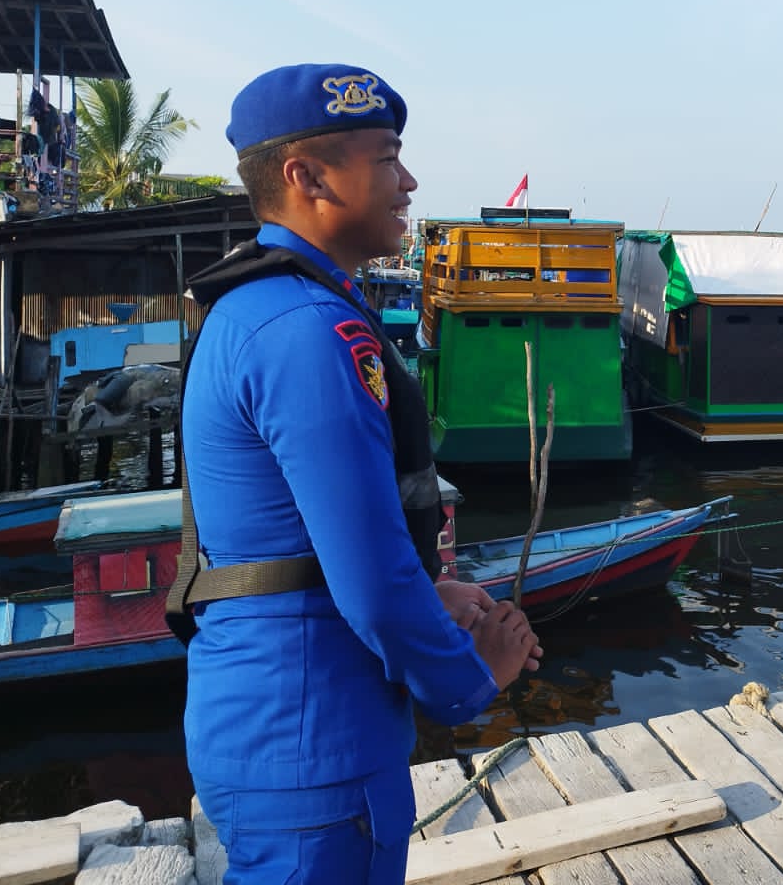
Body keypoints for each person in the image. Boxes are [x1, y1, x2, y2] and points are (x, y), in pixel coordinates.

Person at [176, 63, 543, 884]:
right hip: (316, 739)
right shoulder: (309, 329)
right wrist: (470, 678)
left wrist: (434, 594)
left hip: (275, 716)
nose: (408, 181)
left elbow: (287, 537)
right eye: (385, 158)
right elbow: (372, 583)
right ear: (306, 176)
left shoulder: (260, 306)